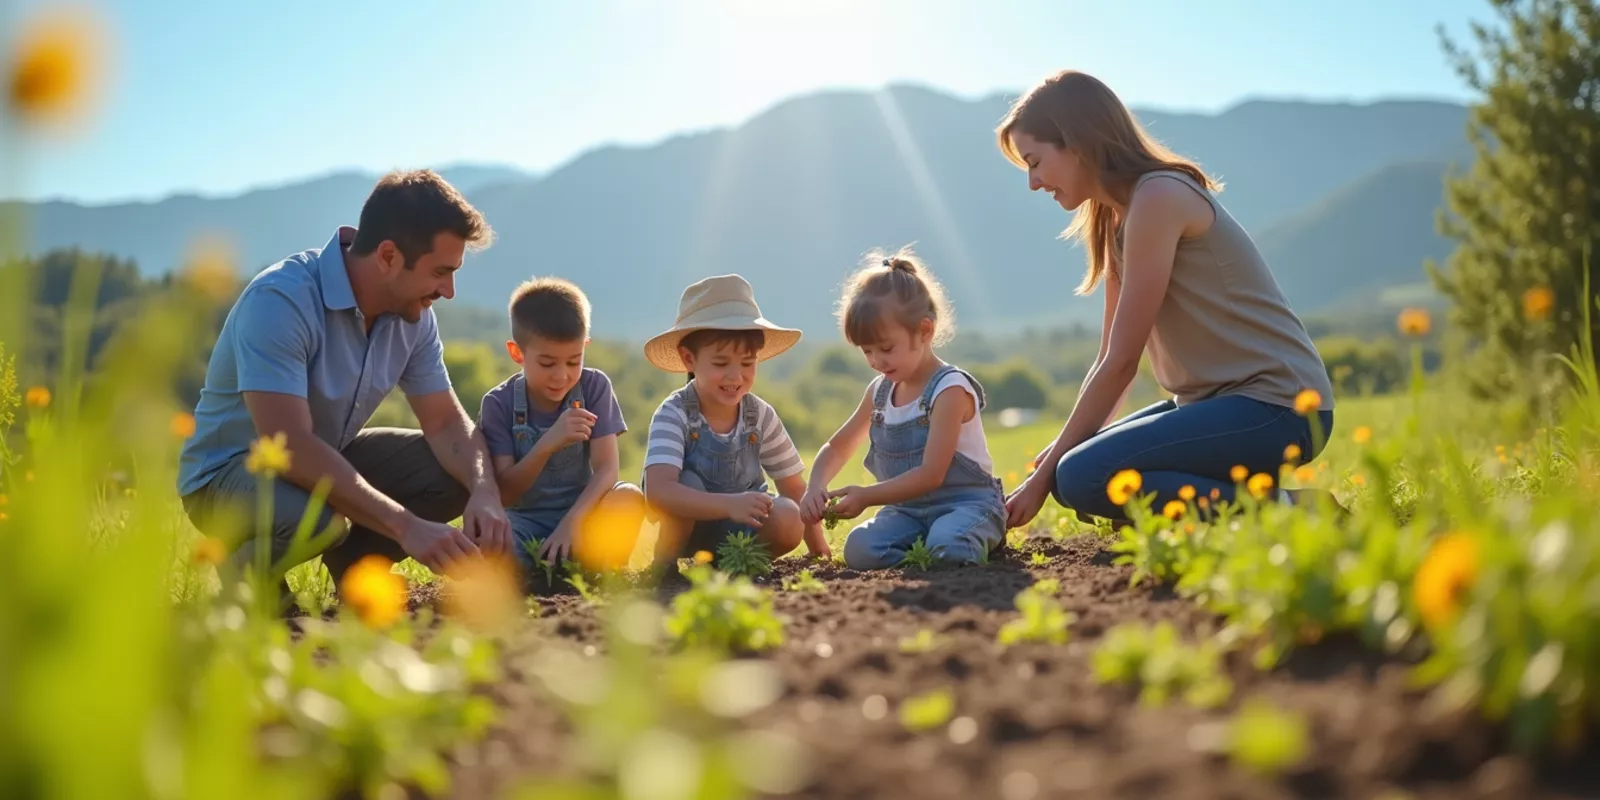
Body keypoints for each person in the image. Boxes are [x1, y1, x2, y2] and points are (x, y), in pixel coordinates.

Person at [995, 70, 1337, 528]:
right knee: (1073, 467)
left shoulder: (1158, 197)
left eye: (1035, 162)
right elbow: (1106, 360)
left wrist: (1055, 468)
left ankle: (1292, 511)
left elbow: (1121, 364)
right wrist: (1062, 451)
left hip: (1280, 408)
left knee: (1080, 474)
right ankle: (1181, 511)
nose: (1034, 182)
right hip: (1213, 404)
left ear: (1075, 145)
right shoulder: (1115, 220)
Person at [178, 169, 511, 599]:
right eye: (440, 272)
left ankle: (355, 568)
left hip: (325, 455)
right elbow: (289, 445)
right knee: (319, 522)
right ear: (388, 257)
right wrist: (406, 527)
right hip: (229, 475)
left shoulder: (415, 316)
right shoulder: (280, 301)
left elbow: (447, 423)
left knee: (452, 474)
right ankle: (244, 579)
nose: (448, 291)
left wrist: (484, 492)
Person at [800, 249, 1006, 569]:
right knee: (860, 548)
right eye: (866, 351)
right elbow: (838, 447)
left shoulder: (949, 390)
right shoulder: (880, 392)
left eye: (885, 348)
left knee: (949, 545)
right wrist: (815, 486)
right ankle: (923, 553)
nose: (876, 362)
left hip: (965, 504)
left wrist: (867, 496)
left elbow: (931, 474)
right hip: (906, 512)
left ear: (924, 331)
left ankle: (958, 540)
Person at [640, 274, 830, 582]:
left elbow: (794, 488)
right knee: (686, 481)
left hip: (742, 530)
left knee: (788, 515)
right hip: (686, 528)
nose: (735, 376)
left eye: (747, 363)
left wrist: (818, 546)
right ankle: (664, 566)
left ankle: (730, 563)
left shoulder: (760, 415)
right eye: (720, 363)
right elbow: (659, 492)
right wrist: (729, 504)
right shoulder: (673, 414)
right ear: (689, 359)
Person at [475, 276, 646, 583]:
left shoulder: (594, 387)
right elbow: (505, 492)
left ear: (585, 348)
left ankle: (599, 572)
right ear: (517, 353)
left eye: (573, 361)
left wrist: (573, 523)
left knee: (628, 498)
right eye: (547, 363)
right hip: (524, 521)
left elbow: (607, 470)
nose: (561, 375)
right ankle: (537, 575)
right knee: (484, 537)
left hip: (583, 515)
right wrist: (547, 443)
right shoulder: (497, 404)